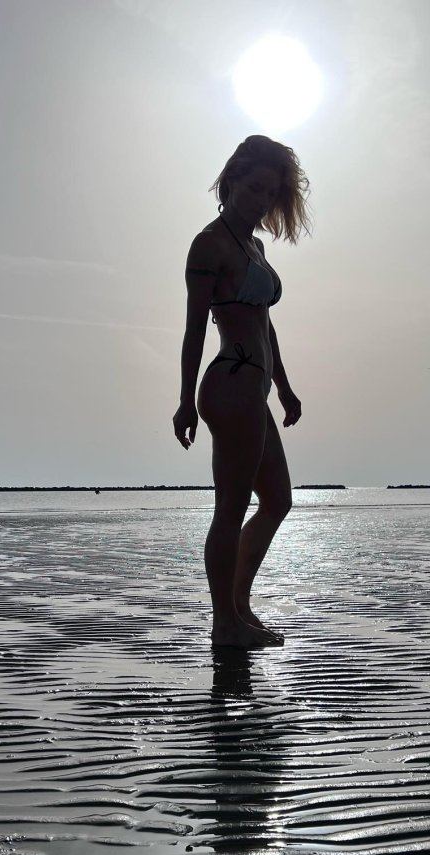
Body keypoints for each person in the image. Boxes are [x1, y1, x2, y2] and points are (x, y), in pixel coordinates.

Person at [173, 135, 311, 649]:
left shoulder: (254, 246)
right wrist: (185, 400)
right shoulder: (209, 243)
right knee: (230, 506)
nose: (261, 200)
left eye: (270, 193)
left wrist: (286, 390)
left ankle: (239, 606)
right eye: (254, 188)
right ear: (230, 181)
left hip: (256, 389)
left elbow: (265, 326)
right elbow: (193, 330)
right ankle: (223, 624)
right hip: (228, 385)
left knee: (277, 501)